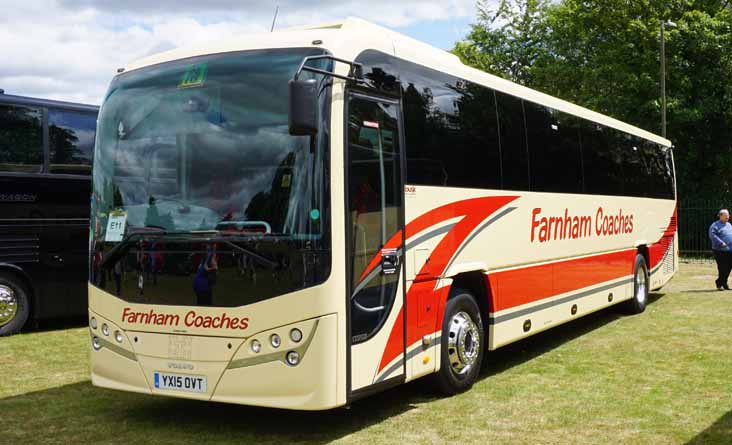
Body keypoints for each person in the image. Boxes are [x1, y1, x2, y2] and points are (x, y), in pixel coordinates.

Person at [708, 209, 732, 290]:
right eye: (726, 216)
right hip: (720, 250)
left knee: (729, 267)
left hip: (730, 250)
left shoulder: (729, 225)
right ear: (720, 216)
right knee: (722, 267)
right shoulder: (715, 225)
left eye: (728, 215)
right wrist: (721, 243)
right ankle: (719, 284)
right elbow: (712, 235)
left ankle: (724, 283)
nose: (728, 217)